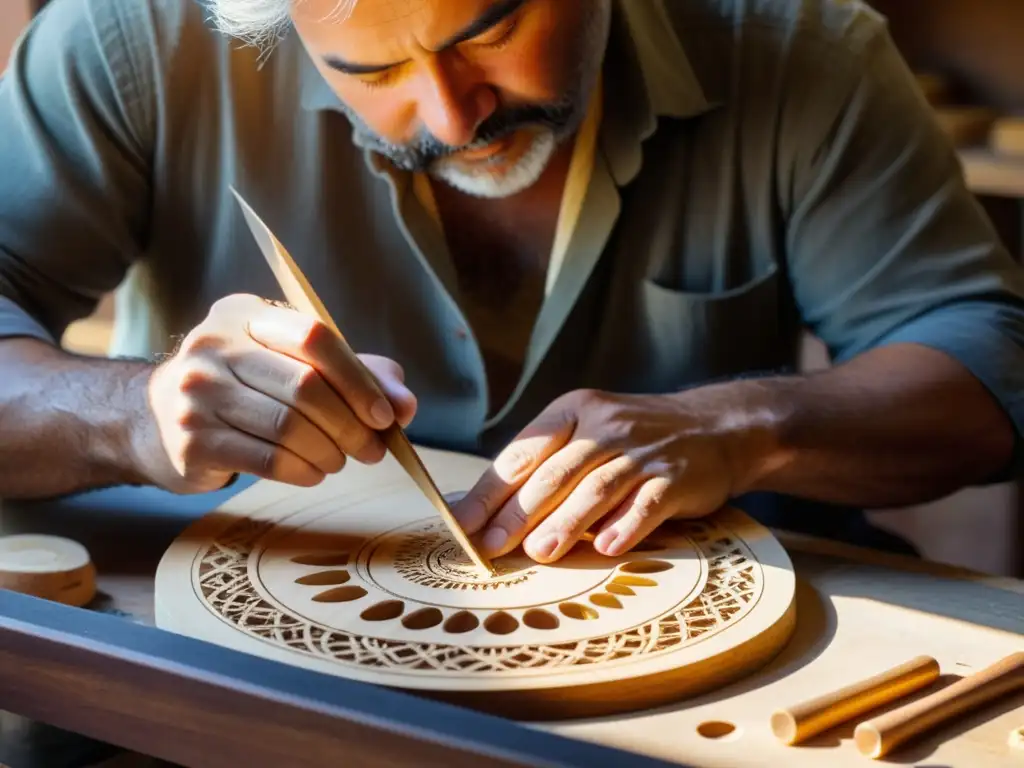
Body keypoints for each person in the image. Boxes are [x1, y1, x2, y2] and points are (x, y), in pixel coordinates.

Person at [1, 0, 1023, 565]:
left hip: (689, 636)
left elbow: (989, 364)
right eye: (368, 74)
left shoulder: (800, 51)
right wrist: (128, 415)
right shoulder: (132, 41)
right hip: (254, 624)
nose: (451, 117)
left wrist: (744, 423)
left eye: (487, 29)